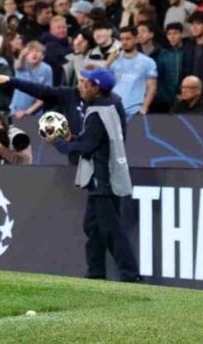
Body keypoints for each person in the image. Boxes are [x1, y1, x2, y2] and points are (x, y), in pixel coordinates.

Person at [46, 68, 140, 282]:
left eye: (85, 84)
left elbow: (86, 148)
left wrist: (58, 143)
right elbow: (94, 140)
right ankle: (96, 272)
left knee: (111, 230)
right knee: (93, 226)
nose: (81, 87)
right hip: (107, 176)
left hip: (102, 179)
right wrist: (73, 138)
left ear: (96, 88)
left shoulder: (96, 113)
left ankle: (131, 274)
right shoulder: (110, 107)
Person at [107, 26, 157, 118]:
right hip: (114, 110)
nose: (124, 42)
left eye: (128, 39)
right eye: (122, 39)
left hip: (135, 112)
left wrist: (144, 108)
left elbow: (152, 88)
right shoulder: (114, 60)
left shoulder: (148, 62)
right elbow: (102, 82)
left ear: (136, 39)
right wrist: (108, 62)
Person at [10, 41, 52, 119]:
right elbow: (18, 65)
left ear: (43, 56)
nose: (34, 54)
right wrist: (22, 54)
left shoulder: (46, 69)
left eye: (37, 51)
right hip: (16, 110)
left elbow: (45, 95)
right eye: (31, 52)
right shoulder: (22, 65)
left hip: (35, 113)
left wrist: (28, 112)